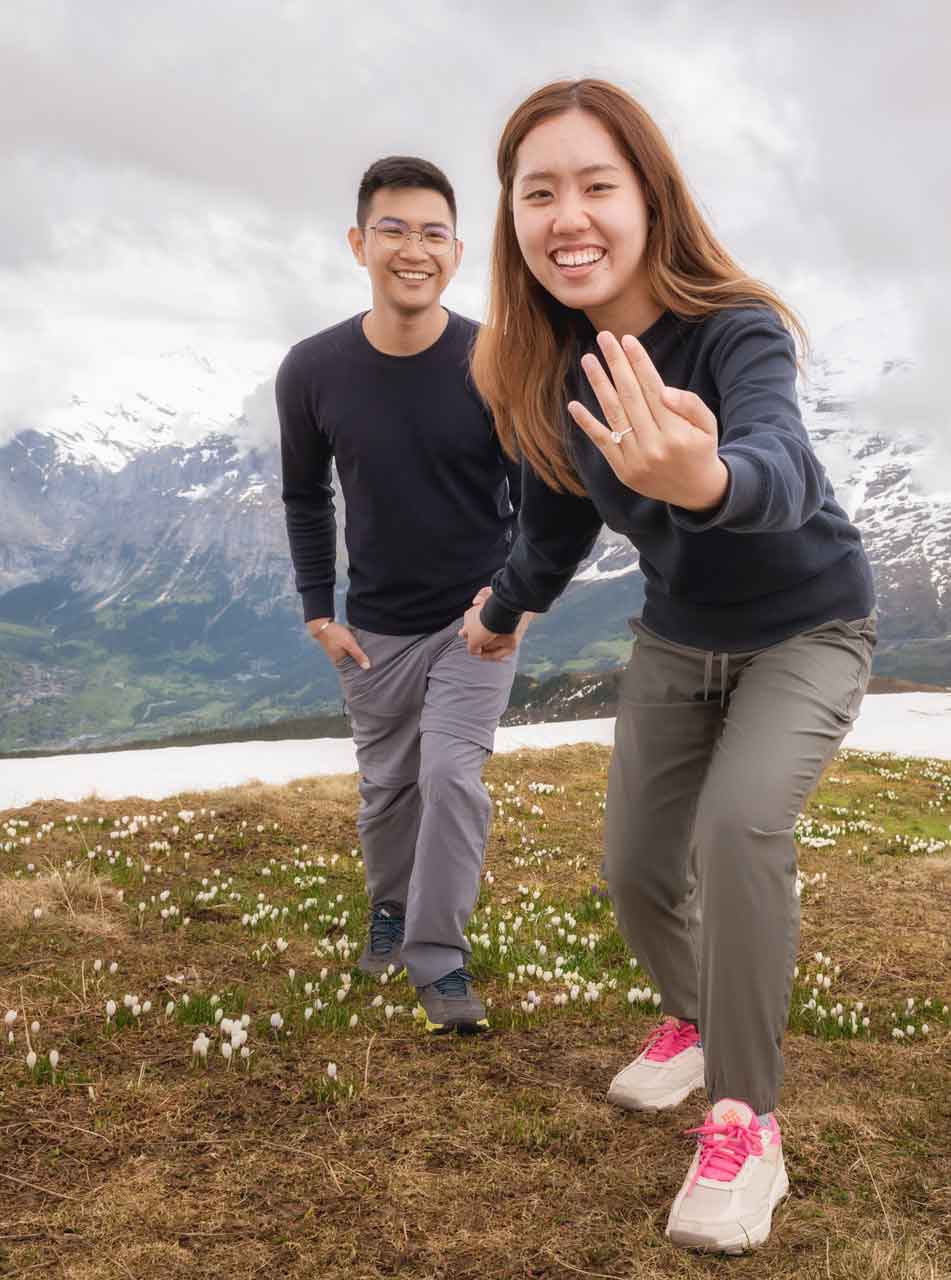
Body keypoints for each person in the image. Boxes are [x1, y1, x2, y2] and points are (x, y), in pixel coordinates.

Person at [460, 80, 875, 1253]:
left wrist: (705, 478)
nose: (567, 215)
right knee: (639, 868)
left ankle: (746, 1118)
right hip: (675, 636)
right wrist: (502, 609)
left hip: (807, 626)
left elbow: (777, 461)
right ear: (514, 217)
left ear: (648, 197)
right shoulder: (538, 364)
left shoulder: (733, 325)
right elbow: (550, 521)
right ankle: (692, 1016)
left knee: (737, 830)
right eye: (538, 191)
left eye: (597, 184)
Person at [277, 155, 526, 1035]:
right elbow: (305, 495)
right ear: (358, 243)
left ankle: (438, 959)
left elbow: (537, 493)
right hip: (374, 628)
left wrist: (513, 605)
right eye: (393, 229)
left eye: (431, 234)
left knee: (453, 779)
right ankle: (389, 907)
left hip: (476, 621)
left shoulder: (498, 358)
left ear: (456, 253)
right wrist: (319, 610)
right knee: (389, 789)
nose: (412, 249)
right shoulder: (313, 369)